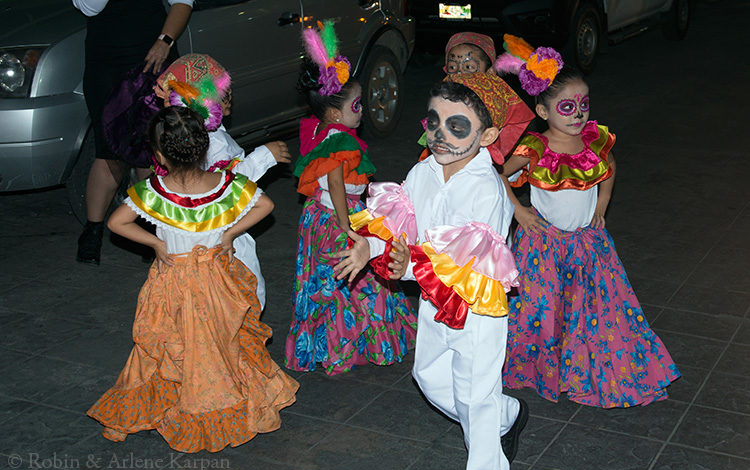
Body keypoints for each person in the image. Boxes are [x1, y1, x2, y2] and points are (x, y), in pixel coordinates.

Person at [335, 73, 529, 470]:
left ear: (488, 134)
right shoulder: (424, 170)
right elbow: (399, 226)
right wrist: (370, 246)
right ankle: (506, 416)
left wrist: (407, 268)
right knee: (429, 378)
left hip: (477, 311)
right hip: (433, 301)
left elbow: (465, 263)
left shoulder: (487, 190)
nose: (440, 134)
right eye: (434, 121)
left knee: (476, 398)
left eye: (457, 126)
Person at [87, 106, 298, 452]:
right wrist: (230, 234)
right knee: (221, 342)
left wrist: (156, 243)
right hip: (218, 283)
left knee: (176, 345)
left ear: (158, 155)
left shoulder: (156, 191)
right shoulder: (226, 184)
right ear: (202, 148)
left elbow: (115, 223)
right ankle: (223, 397)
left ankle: (184, 399)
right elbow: (265, 206)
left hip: (175, 284)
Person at [495, 35, 681, 408]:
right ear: (544, 111)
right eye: (567, 106)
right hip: (543, 245)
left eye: (583, 104)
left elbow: (610, 167)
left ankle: (587, 364)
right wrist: (518, 209)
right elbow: (497, 175)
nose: (578, 114)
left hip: (587, 244)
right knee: (544, 309)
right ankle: (541, 366)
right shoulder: (536, 148)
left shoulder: (593, 140)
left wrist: (604, 201)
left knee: (594, 309)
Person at [284, 21, 418, 375]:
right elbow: (336, 183)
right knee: (347, 280)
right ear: (333, 113)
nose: (362, 109)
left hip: (325, 214)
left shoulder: (325, 132)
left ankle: (348, 337)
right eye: (356, 105)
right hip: (336, 216)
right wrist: (347, 225)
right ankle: (348, 339)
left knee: (345, 280)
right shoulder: (339, 141)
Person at [153, 53, 292, 309]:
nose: (229, 96)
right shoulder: (211, 142)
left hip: (190, 241)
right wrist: (264, 157)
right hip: (222, 234)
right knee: (240, 298)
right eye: (222, 91)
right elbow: (226, 186)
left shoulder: (186, 139)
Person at [74, 0, 193, 265]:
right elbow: (89, 8)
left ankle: (150, 229)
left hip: (153, 57)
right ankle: (92, 231)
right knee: (109, 149)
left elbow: (182, 3)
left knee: (152, 149)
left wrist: (165, 40)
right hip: (106, 63)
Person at [416, 32, 535, 168]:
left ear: (490, 72)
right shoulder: (442, 94)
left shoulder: (495, 99)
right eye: (453, 67)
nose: (460, 74)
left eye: (468, 68)